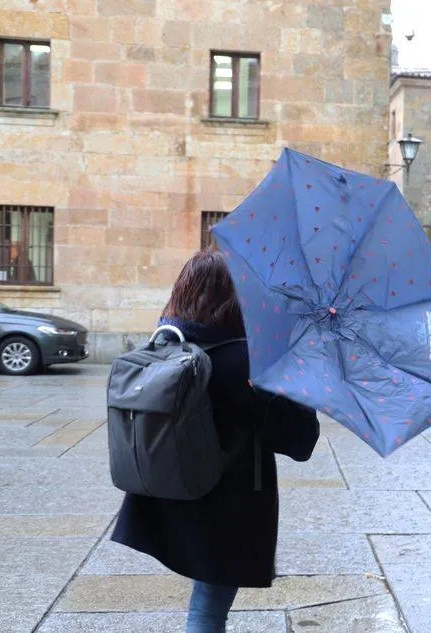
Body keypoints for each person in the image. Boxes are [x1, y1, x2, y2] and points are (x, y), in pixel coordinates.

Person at [111, 250, 320, 633]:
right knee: (206, 614)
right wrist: (282, 388)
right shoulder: (250, 361)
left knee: (205, 607)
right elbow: (301, 442)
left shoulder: (164, 344)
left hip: (165, 497)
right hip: (225, 509)